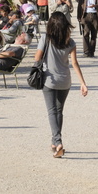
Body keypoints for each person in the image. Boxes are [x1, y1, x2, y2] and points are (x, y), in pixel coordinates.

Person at [35, 11, 88, 158]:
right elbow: (75, 63)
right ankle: (54, 142)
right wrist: (83, 83)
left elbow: (37, 57)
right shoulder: (70, 42)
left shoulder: (45, 38)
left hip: (49, 80)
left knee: (52, 111)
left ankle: (58, 142)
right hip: (65, 81)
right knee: (59, 111)